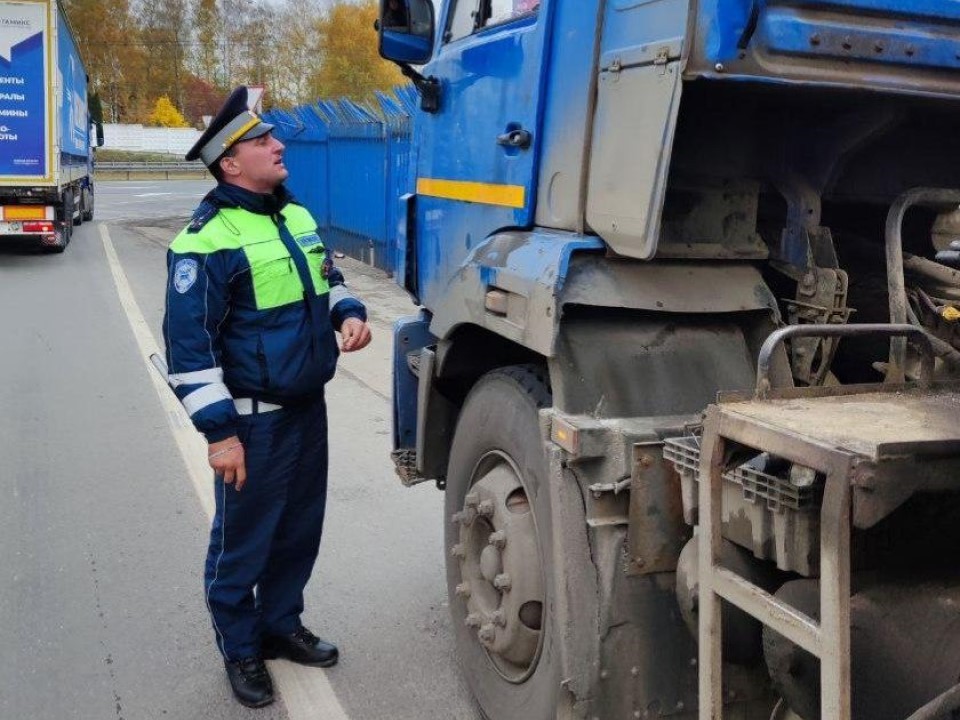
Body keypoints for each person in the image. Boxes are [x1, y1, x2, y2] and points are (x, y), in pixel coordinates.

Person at [163, 86, 372, 708]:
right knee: (243, 545)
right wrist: (221, 435)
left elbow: (326, 280)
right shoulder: (204, 241)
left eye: (272, 137)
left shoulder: (295, 215)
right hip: (251, 426)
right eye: (261, 141)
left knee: (298, 532)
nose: (278, 145)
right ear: (230, 163)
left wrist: (349, 313)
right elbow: (189, 351)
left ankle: (280, 626)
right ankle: (241, 648)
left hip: (307, 411)